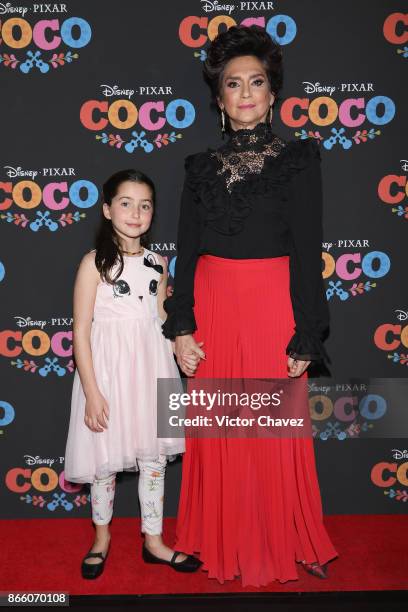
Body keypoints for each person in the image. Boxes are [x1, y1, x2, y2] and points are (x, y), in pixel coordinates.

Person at [162, 25, 339, 587]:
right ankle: (216, 538)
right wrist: (181, 325)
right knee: (217, 429)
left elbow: (308, 249)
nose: (244, 93)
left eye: (255, 83)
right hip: (212, 304)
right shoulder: (198, 168)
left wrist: (307, 333)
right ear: (218, 98)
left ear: (272, 94)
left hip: (270, 304)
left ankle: (288, 538)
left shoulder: (299, 158)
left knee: (272, 429)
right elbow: (185, 252)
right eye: (232, 84)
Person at [64, 169, 202, 579]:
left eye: (145, 205)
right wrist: (91, 391)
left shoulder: (158, 263)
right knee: (104, 462)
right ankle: (101, 537)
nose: (136, 213)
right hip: (107, 375)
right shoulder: (93, 264)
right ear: (107, 209)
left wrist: (184, 341)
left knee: (154, 459)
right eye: (126, 203)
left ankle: (154, 541)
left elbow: (160, 316)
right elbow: (81, 330)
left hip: (152, 370)